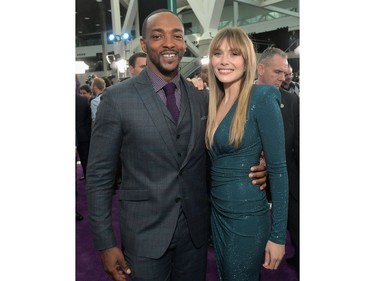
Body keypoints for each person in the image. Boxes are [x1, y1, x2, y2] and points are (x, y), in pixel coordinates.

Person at [86, 9, 267, 281]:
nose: (169, 43)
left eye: (177, 36)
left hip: (194, 235)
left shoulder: (201, 99)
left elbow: (215, 154)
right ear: (144, 45)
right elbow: (99, 177)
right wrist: (105, 242)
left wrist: (256, 165)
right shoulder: (117, 99)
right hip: (144, 237)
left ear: (184, 44)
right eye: (158, 36)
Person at [205, 27, 289, 281]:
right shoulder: (214, 102)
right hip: (217, 212)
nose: (224, 60)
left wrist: (277, 236)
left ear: (247, 60)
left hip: (247, 216)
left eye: (234, 53)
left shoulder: (261, 97)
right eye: (218, 53)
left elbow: (278, 169)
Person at [257, 47, 300, 275]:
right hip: (254, 188)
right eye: (277, 72)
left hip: (290, 187)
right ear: (260, 69)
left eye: (285, 73)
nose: (283, 78)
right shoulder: (241, 98)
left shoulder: (291, 101)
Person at [76, 92, 92, 221]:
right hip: (84, 137)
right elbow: (88, 119)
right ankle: (91, 188)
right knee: (87, 163)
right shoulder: (83, 101)